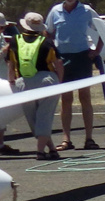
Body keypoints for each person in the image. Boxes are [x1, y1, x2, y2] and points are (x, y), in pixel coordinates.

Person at [45, 0, 101, 151]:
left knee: (85, 97)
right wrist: (53, 54)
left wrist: (96, 51)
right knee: (66, 98)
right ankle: (66, 139)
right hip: (63, 58)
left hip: (82, 57)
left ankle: (89, 139)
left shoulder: (86, 11)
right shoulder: (55, 11)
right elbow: (48, 33)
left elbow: (103, 31)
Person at [5, 12, 63, 160]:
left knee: (33, 119)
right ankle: (40, 151)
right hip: (46, 80)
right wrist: (60, 82)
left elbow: (11, 64)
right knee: (45, 116)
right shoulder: (47, 42)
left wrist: (11, 80)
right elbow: (58, 63)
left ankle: (51, 149)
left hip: (23, 82)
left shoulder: (14, 40)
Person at [0, 13, 24, 157]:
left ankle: (1, 144)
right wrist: (5, 50)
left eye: (3, 27)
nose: (2, 30)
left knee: (3, 115)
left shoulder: (1, 37)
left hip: (3, 78)